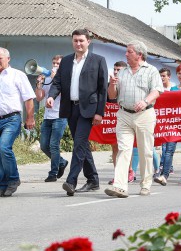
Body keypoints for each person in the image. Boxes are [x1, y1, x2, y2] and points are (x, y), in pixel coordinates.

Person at [47, 29, 108, 196]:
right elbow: (57, 82)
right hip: (70, 108)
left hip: (88, 110)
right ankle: (93, 179)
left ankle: (71, 181)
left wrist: (99, 112)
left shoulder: (98, 61)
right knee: (82, 145)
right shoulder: (66, 61)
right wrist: (52, 96)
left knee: (79, 144)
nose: (78, 44)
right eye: (75, 41)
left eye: (81, 40)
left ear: (88, 41)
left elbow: (102, 89)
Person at [105, 40, 163, 197]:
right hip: (124, 114)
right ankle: (120, 186)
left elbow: (157, 90)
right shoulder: (122, 72)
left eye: (129, 51)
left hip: (145, 115)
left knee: (145, 151)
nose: (125, 54)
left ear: (139, 55)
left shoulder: (151, 71)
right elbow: (112, 96)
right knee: (123, 149)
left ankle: (145, 184)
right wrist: (112, 84)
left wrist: (145, 101)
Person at [0, 47, 36, 197]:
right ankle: (3, 184)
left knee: (3, 147)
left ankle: (14, 179)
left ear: (8, 59)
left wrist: (30, 117)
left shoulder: (17, 75)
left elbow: (28, 98)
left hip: (12, 118)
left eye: (0, 58)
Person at [35, 55, 68, 183]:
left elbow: (64, 93)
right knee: (44, 145)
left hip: (59, 116)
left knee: (54, 145)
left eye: (58, 63)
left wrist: (56, 78)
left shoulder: (65, 78)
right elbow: (39, 98)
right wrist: (39, 85)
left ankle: (53, 173)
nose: (55, 65)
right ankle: (62, 162)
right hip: (47, 117)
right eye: (54, 62)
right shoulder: (48, 78)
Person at [106, 61, 135, 185]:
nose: (116, 72)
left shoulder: (131, 84)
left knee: (125, 147)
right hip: (112, 120)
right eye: (115, 69)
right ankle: (118, 174)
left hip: (127, 119)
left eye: (119, 70)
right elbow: (107, 99)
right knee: (114, 147)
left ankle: (129, 171)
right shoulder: (110, 84)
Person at [157, 67, 175, 180]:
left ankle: (164, 169)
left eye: (164, 76)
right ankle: (165, 167)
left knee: (168, 148)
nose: (162, 78)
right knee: (163, 146)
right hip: (161, 121)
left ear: (169, 76)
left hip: (172, 122)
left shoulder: (173, 89)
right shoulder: (157, 89)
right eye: (160, 76)